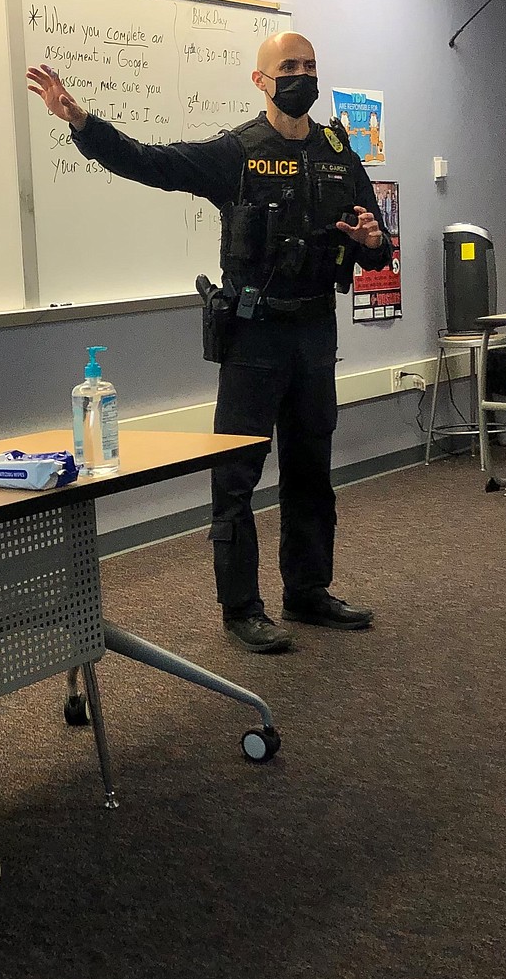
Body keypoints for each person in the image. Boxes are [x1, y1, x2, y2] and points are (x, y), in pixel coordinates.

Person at [26, 32, 391, 652]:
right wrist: (83, 124)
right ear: (260, 80)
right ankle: (241, 608)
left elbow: (374, 232)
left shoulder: (338, 151)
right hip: (254, 335)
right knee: (237, 473)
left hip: (313, 332)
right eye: (288, 67)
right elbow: (152, 161)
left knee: (312, 467)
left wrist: (371, 242)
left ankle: (307, 592)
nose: (302, 76)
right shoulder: (237, 153)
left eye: (309, 66)